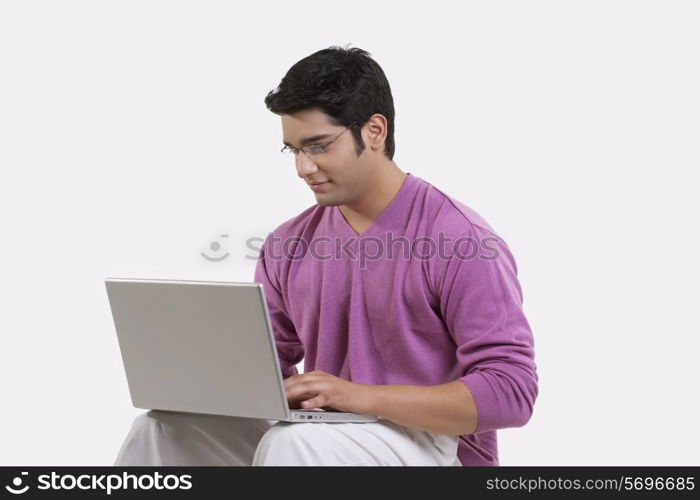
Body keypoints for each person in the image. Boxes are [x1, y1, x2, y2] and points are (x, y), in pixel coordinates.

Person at [113, 44, 538, 466]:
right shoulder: (288, 243)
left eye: (318, 146)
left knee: (295, 444)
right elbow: (269, 371)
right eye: (293, 150)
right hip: (325, 435)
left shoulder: (461, 240)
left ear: (374, 131)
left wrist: (357, 396)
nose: (303, 167)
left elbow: (511, 392)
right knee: (160, 428)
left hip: (434, 449)